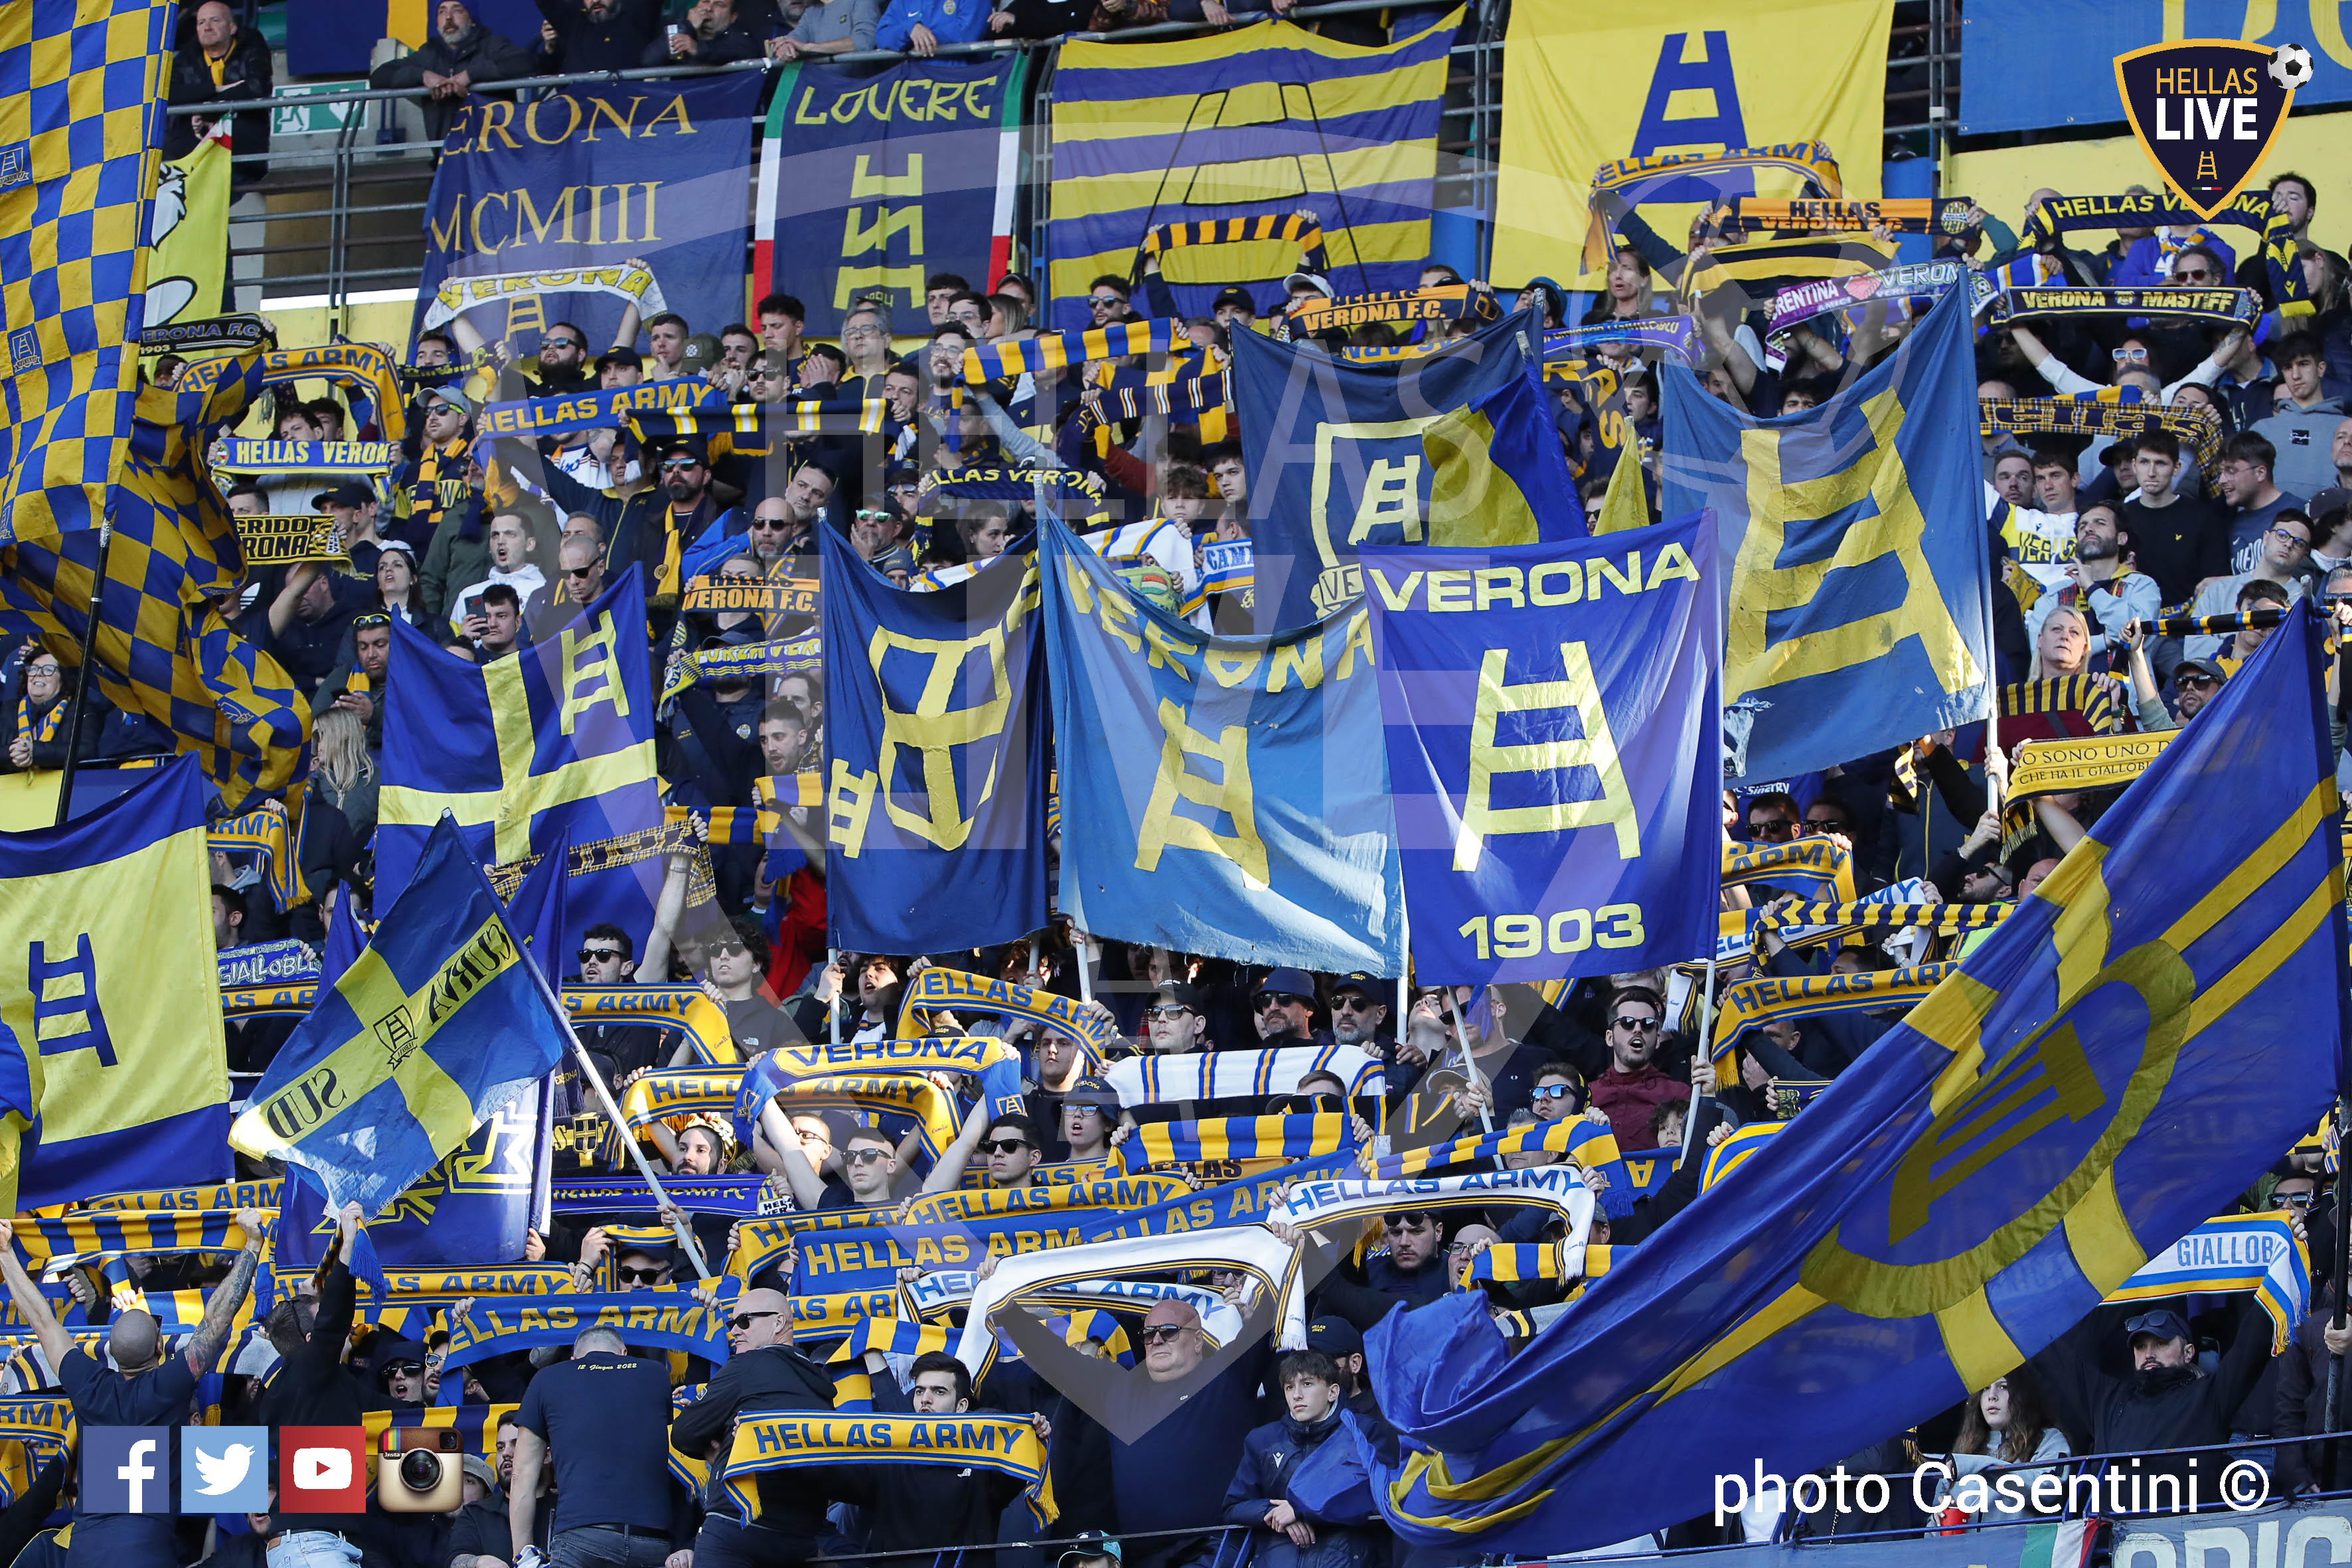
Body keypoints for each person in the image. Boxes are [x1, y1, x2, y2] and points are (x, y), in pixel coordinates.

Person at [0, 1208, 266, 1563]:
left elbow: (43, 1322)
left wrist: (5, 1254)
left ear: (110, 1353)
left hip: (84, 1555)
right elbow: (218, 1318)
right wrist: (252, 1244)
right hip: (146, 1555)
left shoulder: (88, 1385)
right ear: (160, 1347)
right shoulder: (171, 1384)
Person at [2029, 1300, 2280, 1513]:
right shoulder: (2108, 1400)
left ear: (2189, 1352)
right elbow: (2050, 1353)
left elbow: (2254, 1339)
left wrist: (2283, 1267)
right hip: (2116, 1545)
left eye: (2161, 1343)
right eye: (2141, 1346)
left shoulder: (2210, 1395)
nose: (2149, 1353)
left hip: (2190, 1543)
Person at [670, 1286, 838, 1567]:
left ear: (779, 1323)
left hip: (736, 1526)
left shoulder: (748, 1364)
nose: (735, 1331)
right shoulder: (821, 1387)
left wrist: (721, 1448)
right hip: (799, 1537)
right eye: (731, 1323)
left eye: (745, 1321)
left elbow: (684, 1432)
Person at [510, 1324, 682, 1566]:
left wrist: (522, 1558)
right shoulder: (656, 1373)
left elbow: (521, 1476)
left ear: (574, 1359)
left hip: (580, 1538)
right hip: (651, 1539)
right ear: (623, 1353)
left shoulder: (547, 1379)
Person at [1221, 1350, 1381, 1568]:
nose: (1297, 1395)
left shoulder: (1363, 1433)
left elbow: (1378, 1500)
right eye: (1289, 1387)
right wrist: (1274, 1513)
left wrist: (1300, 1510)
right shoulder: (1262, 1439)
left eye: (1307, 1384)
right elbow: (1233, 1507)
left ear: (1333, 1392)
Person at [368, 0, 533, 141]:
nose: (448, 17)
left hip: (495, 155)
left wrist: (471, 75)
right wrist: (423, 75)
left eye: (457, 10)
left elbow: (526, 63)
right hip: (447, 158)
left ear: (472, 20)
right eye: (442, 12)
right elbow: (379, 77)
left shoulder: (491, 45)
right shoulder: (428, 54)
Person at [1933, 1369, 2071, 1523]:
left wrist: (1981, 1466)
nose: (1992, 1396)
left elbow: (2047, 1491)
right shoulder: (1962, 1451)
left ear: (2022, 1395)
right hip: (1966, 1540)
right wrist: (1939, 1519)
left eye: (2003, 1387)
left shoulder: (2049, 1440)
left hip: (2026, 1539)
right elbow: (1931, 1529)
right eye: (1985, 1388)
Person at [1586, 987, 1688, 1151]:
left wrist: (1708, 1096)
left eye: (1648, 1024)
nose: (1638, 1029)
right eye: (1627, 1023)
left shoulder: (1680, 1094)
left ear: (1657, 1040)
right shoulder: (1587, 1096)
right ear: (1610, 1037)